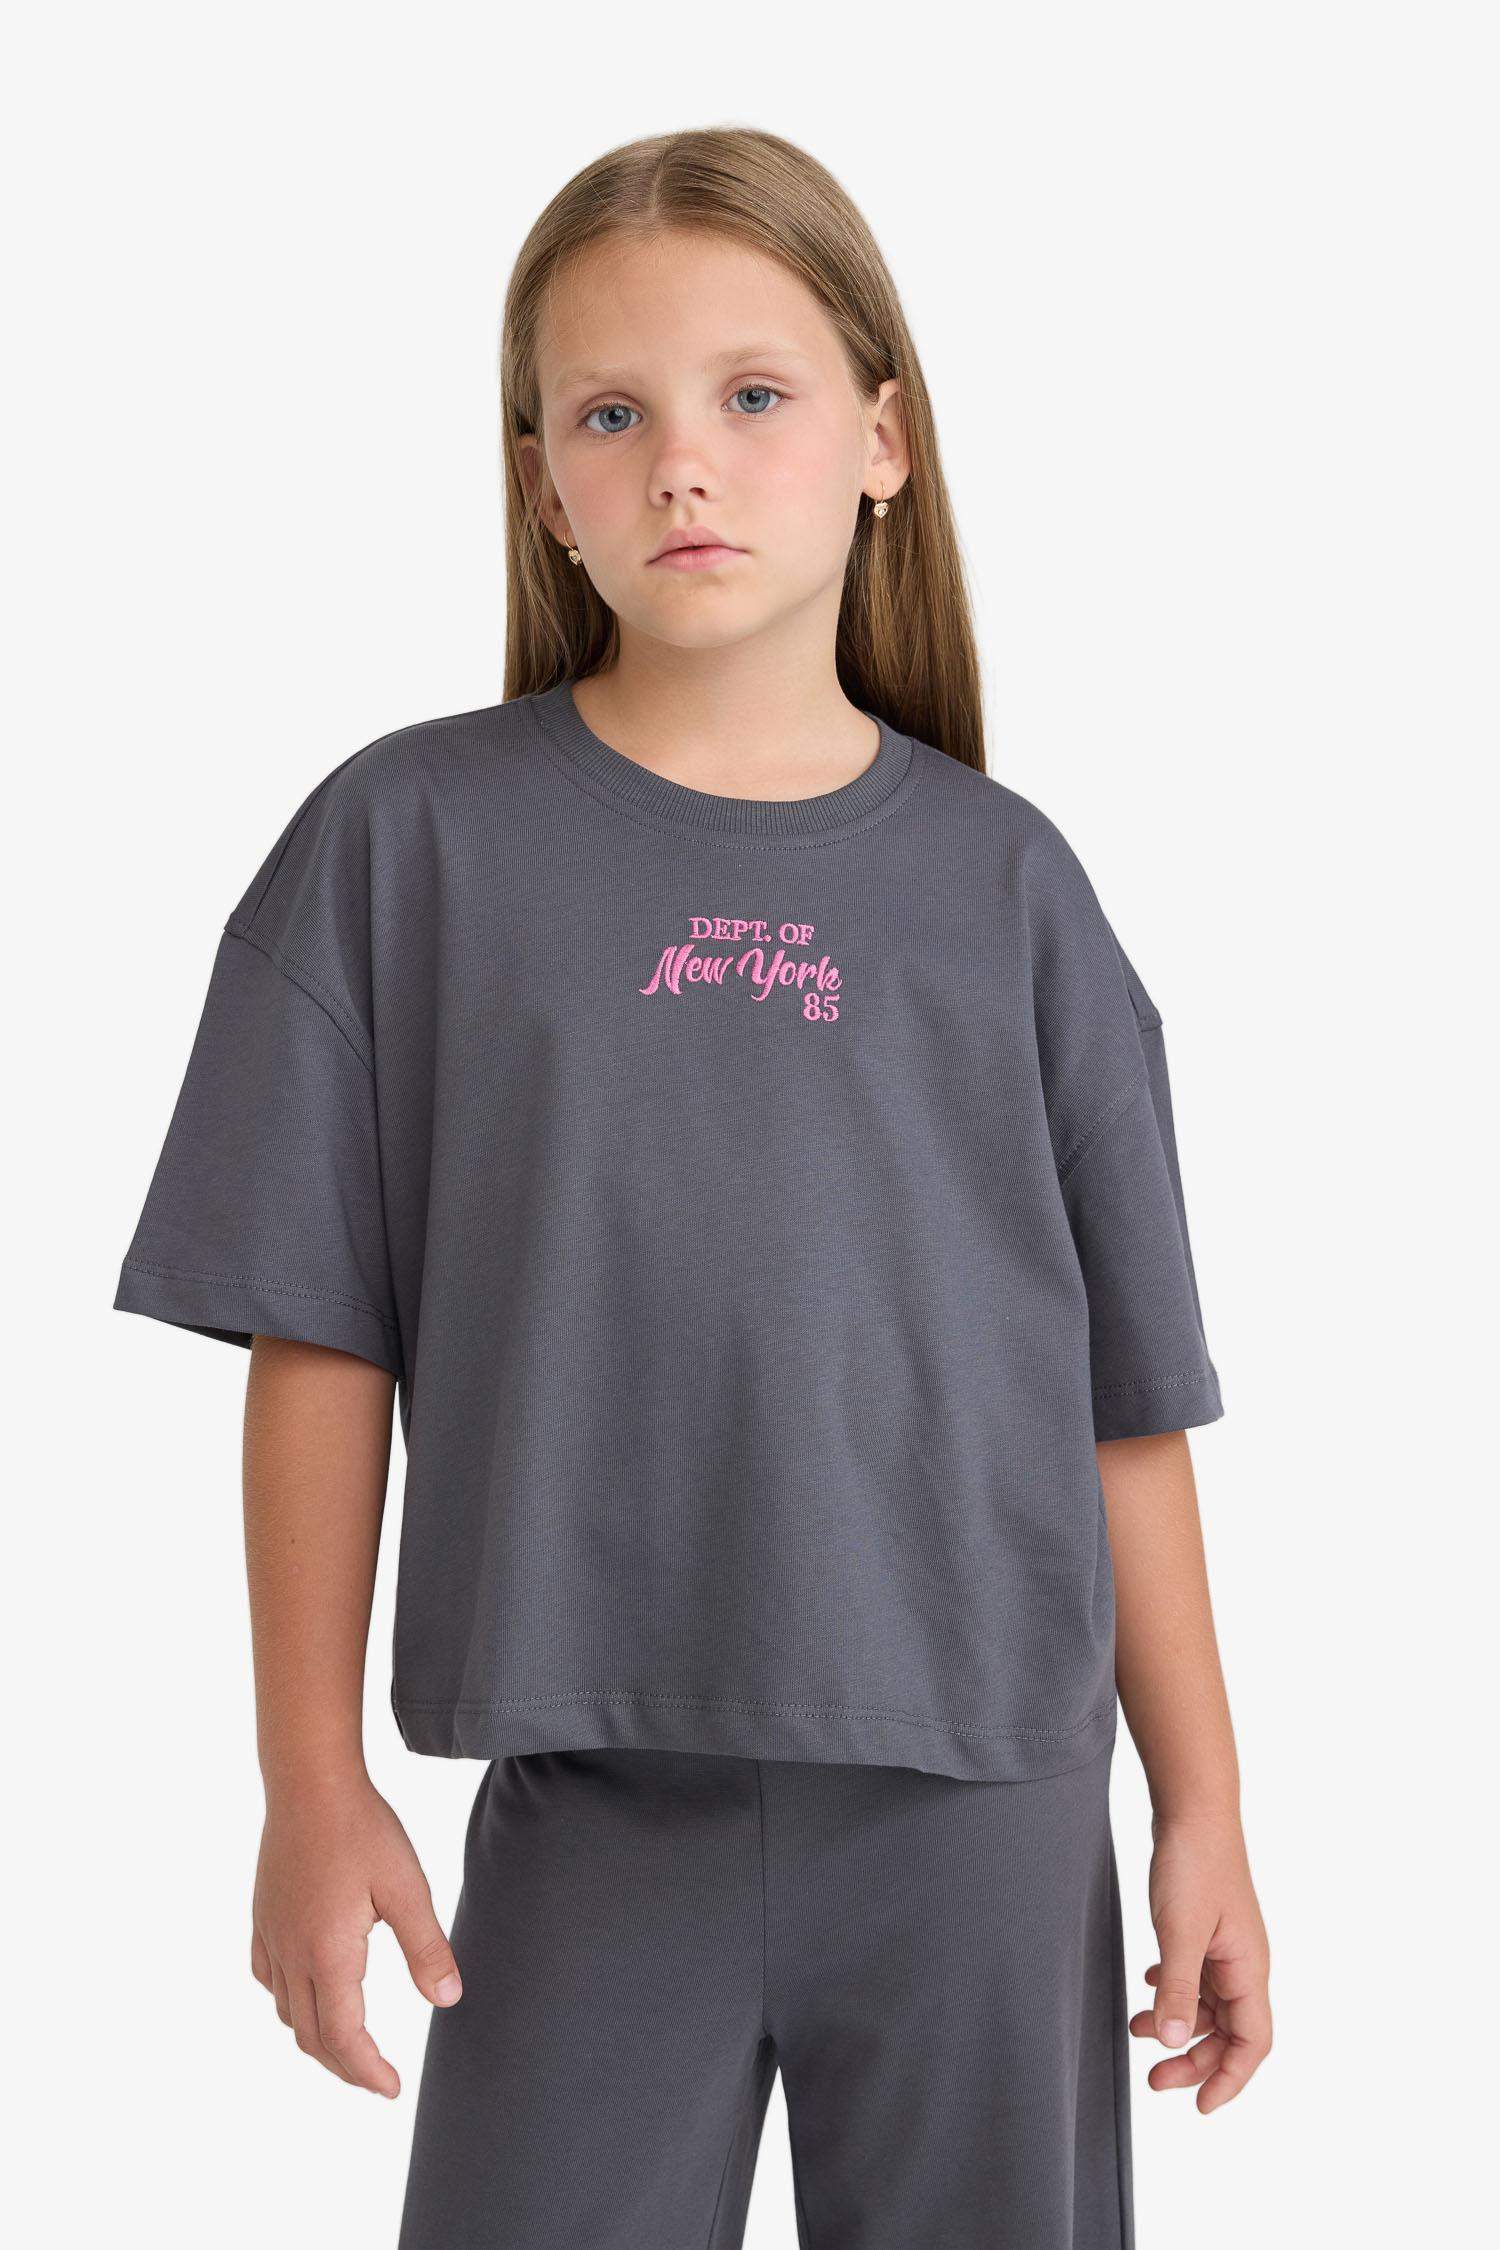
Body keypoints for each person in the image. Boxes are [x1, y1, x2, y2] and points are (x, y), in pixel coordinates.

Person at [113, 125, 1271, 2249]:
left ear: (884, 442)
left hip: (985, 1805)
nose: (682, 468)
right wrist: (308, 1780)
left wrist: (1204, 1805)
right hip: (586, 1794)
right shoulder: (403, 850)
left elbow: (1123, 1402)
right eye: (610, 415)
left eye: (752, 395)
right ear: (540, 480)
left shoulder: (1013, 892)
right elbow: (319, 1339)